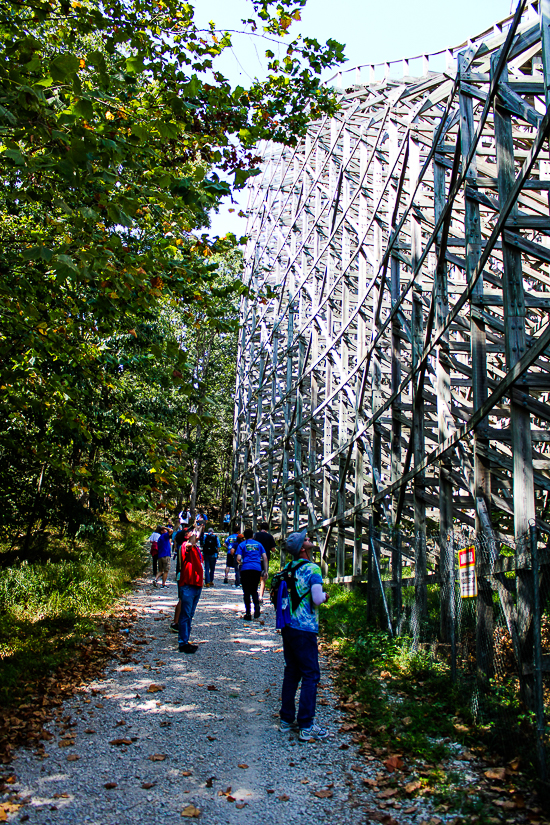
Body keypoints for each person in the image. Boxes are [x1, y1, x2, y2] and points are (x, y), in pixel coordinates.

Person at [278, 529, 329, 742]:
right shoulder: (312, 569)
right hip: (305, 627)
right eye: (306, 540)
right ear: (302, 549)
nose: (309, 540)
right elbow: (317, 599)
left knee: (292, 671)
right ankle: (306, 724)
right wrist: (325, 596)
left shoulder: (287, 568)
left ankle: (286, 719)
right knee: (310, 674)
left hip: (288, 625)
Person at [177, 532, 203, 653]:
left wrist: (200, 528)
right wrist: (194, 533)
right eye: (191, 532)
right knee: (185, 614)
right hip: (188, 584)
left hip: (197, 584)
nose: (195, 534)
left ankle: (186, 639)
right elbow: (189, 544)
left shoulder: (196, 548)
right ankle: (182, 643)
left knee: (190, 614)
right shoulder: (185, 546)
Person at [236, 528, 268, 620]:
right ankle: (257, 606)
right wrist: (265, 570)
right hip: (256, 568)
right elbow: (265, 557)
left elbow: (238, 558)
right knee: (254, 589)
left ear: (244, 536)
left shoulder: (242, 545)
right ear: (253, 535)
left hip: (246, 569)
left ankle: (248, 613)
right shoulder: (259, 544)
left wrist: (241, 563)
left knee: (246, 591)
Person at [254, 522, 276, 601]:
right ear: (267, 528)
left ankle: (254, 594)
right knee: (263, 578)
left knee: (255, 577)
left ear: (260, 528)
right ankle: (261, 596)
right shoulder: (269, 536)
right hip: (265, 559)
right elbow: (273, 549)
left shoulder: (255, 535)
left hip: (255, 558)